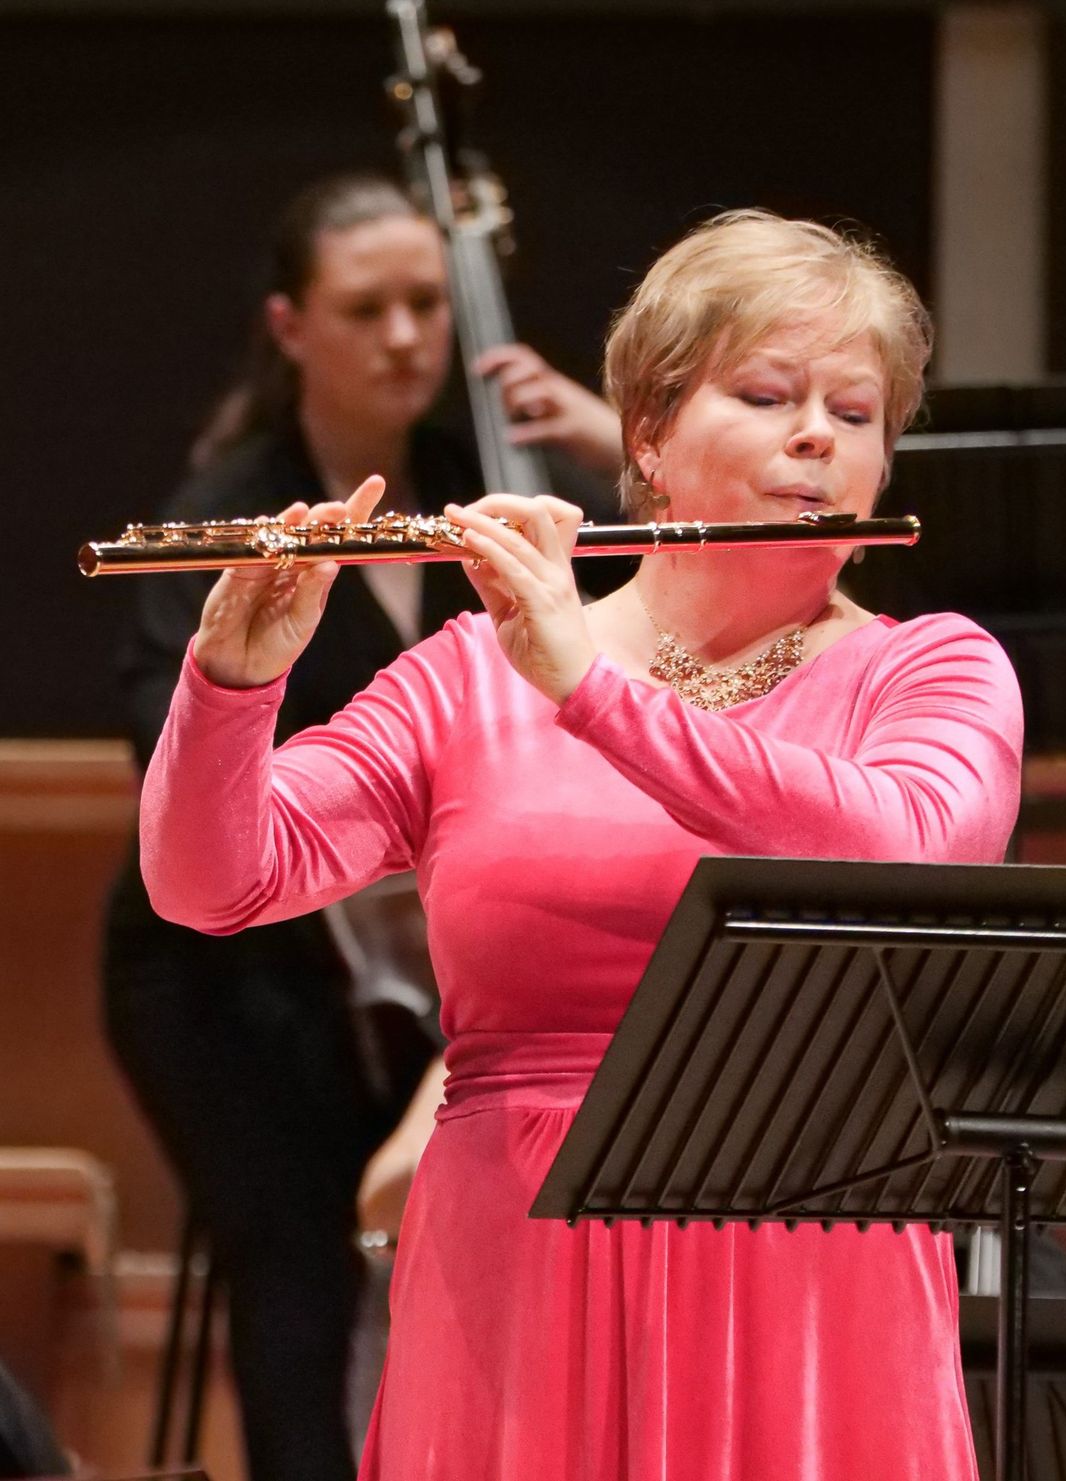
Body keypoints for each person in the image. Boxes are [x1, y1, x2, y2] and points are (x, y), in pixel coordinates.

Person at [136, 209, 1024, 1480]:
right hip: (518, 1256)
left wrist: (593, 688)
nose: (818, 433)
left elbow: (899, 849)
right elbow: (212, 881)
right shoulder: (466, 678)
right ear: (650, 435)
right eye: (768, 394)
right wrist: (232, 684)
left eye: (858, 410)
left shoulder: (933, 669)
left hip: (814, 1250)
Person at [102, 170, 622, 1481]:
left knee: (454, 1255)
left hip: (426, 983)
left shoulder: (475, 488)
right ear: (291, 327)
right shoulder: (218, 509)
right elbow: (182, 778)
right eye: (367, 306)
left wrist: (611, 451)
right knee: (299, 1262)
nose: (405, 335)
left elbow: (628, 646)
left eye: (425, 307)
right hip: (234, 979)